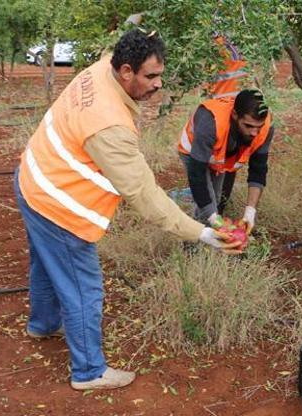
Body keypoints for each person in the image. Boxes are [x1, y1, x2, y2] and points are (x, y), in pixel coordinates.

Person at [14, 29, 241, 391]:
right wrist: (202, 233)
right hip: (59, 205)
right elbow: (144, 195)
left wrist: (142, 23)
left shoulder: (102, 65)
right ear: (125, 71)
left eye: (159, 74)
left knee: (46, 262)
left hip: (32, 179)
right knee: (83, 287)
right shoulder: (109, 127)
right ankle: (89, 372)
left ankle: (42, 325)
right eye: (150, 76)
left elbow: (120, 36)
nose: (158, 84)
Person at [177, 88, 273, 232]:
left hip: (221, 157)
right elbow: (197, 175)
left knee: (215, 200)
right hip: (194, 152)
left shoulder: (266, 128)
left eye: (258, 127)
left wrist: (250, 213)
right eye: (248, 126)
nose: (254, 133)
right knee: (209, 207)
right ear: (235, 115)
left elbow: (258, 169)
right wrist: (212, 217)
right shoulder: (210, 122)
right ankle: (194, 248)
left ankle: (207, 233)